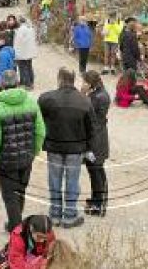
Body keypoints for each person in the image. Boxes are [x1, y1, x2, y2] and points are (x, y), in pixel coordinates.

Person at [0, 70, 45, 232]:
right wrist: (35, 151)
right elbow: (40, 132)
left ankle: (17, 231)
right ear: (17, 82)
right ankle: (14, 223)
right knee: (20, 191)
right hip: (26, 157)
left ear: (2, 85)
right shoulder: (31, 102)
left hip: (6, 161)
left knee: (10, 196)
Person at [38, 68, 94, 228]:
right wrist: (88, 148)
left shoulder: (46, 98)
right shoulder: (84, 101)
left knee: (54, 180)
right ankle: (69, 215)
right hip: (75, 149)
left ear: (59, 79)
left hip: (54, 146)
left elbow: (39, 122)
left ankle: (55, 215)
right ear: (73, 79)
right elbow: (91, 128)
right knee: (72, 181)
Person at [82, 71, 110, 216]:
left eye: (84, 82)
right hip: (99, 137)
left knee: (96, 172)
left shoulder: (97, 98)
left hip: (95, 140)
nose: (82, 84)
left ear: (90, 83)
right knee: (97, 171)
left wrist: (83, 95)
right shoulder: (101, 94)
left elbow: (86, 115)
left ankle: (99, 205)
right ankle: (98, 199)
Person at [14, 17, 37, 89]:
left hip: (23, 53)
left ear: (20, 22)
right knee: (29, 67)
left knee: (24, 68)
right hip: (30, 52)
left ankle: (27, 84)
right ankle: (31, 82)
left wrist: (16, 53)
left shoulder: (21, 30)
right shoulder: (30, 28)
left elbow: (19, 42)